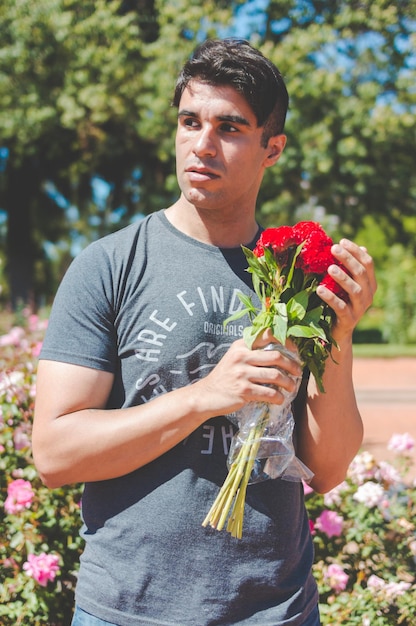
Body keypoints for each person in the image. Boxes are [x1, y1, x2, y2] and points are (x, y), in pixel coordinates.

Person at [33, 38, 376, 626]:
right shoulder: (110, 264)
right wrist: (203, 397)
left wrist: (338, 336)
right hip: (128, 611)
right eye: (190, 122)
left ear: (273, 148)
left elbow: (326, 469)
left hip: (275, 610)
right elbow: (55, 454)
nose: (202, 144)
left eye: (230, 127)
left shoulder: (294, 273)